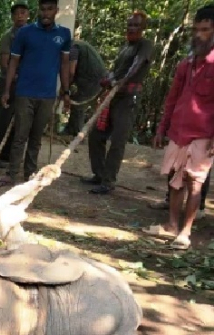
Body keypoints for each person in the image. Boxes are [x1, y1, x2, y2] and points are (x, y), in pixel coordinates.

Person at [142, 5, 214, 250]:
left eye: (204, 30)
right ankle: (172, 225)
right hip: (178, 131)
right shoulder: (186, 63)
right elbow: (172, 98)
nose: (198, 35)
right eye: (196, 29)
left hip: (204, 133)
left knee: (195, 183)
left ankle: (185, 231)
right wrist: (162, 128)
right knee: (175, 179)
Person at [0, 0, 71, 188]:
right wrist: (6, 90)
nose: (45, 13)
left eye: (49, 9)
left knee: (36, 138)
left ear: (56, 11)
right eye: (42, 9)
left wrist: (66, 91)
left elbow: (65, 64)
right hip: (24, 92)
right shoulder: (25, 32)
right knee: (20, 135)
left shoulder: (64, 34)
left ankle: (30, 174)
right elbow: (13, 62)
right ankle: (11, 174)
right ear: (38, 10)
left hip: (47, 94)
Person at [84, 11, 153, 195]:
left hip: (128, 99)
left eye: (136, 25)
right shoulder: (125, 47)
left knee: (117, 140)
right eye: (130, 25)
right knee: (96, 135)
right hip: (113, 97)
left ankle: (108, 181)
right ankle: (99, 174)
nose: (132, 28)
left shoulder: (145, 45)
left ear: (143, 27)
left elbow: (136, 65)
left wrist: (121, 81)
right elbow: (116, 70)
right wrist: (108, 79)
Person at [0, 1, 30, 168]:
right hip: (9, 82)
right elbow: (5, 62)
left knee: (19, 121)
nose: (20, 16)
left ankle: (8, 155)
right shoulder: (8, 36)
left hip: (26, 83)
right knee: (3, 119)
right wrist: (14, 76)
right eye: (17, 13)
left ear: (28, 15)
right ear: (12, 17)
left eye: (23, 13)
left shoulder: (31, 34)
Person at [63, 39, 107, 136]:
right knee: (77, 100)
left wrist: (65, 89)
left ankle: (76, 132)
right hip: (97, 79)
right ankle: (72, 129)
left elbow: (71, 72)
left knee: (78, 103)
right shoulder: (79, 44)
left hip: (93, 80)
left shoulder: (73, 48)